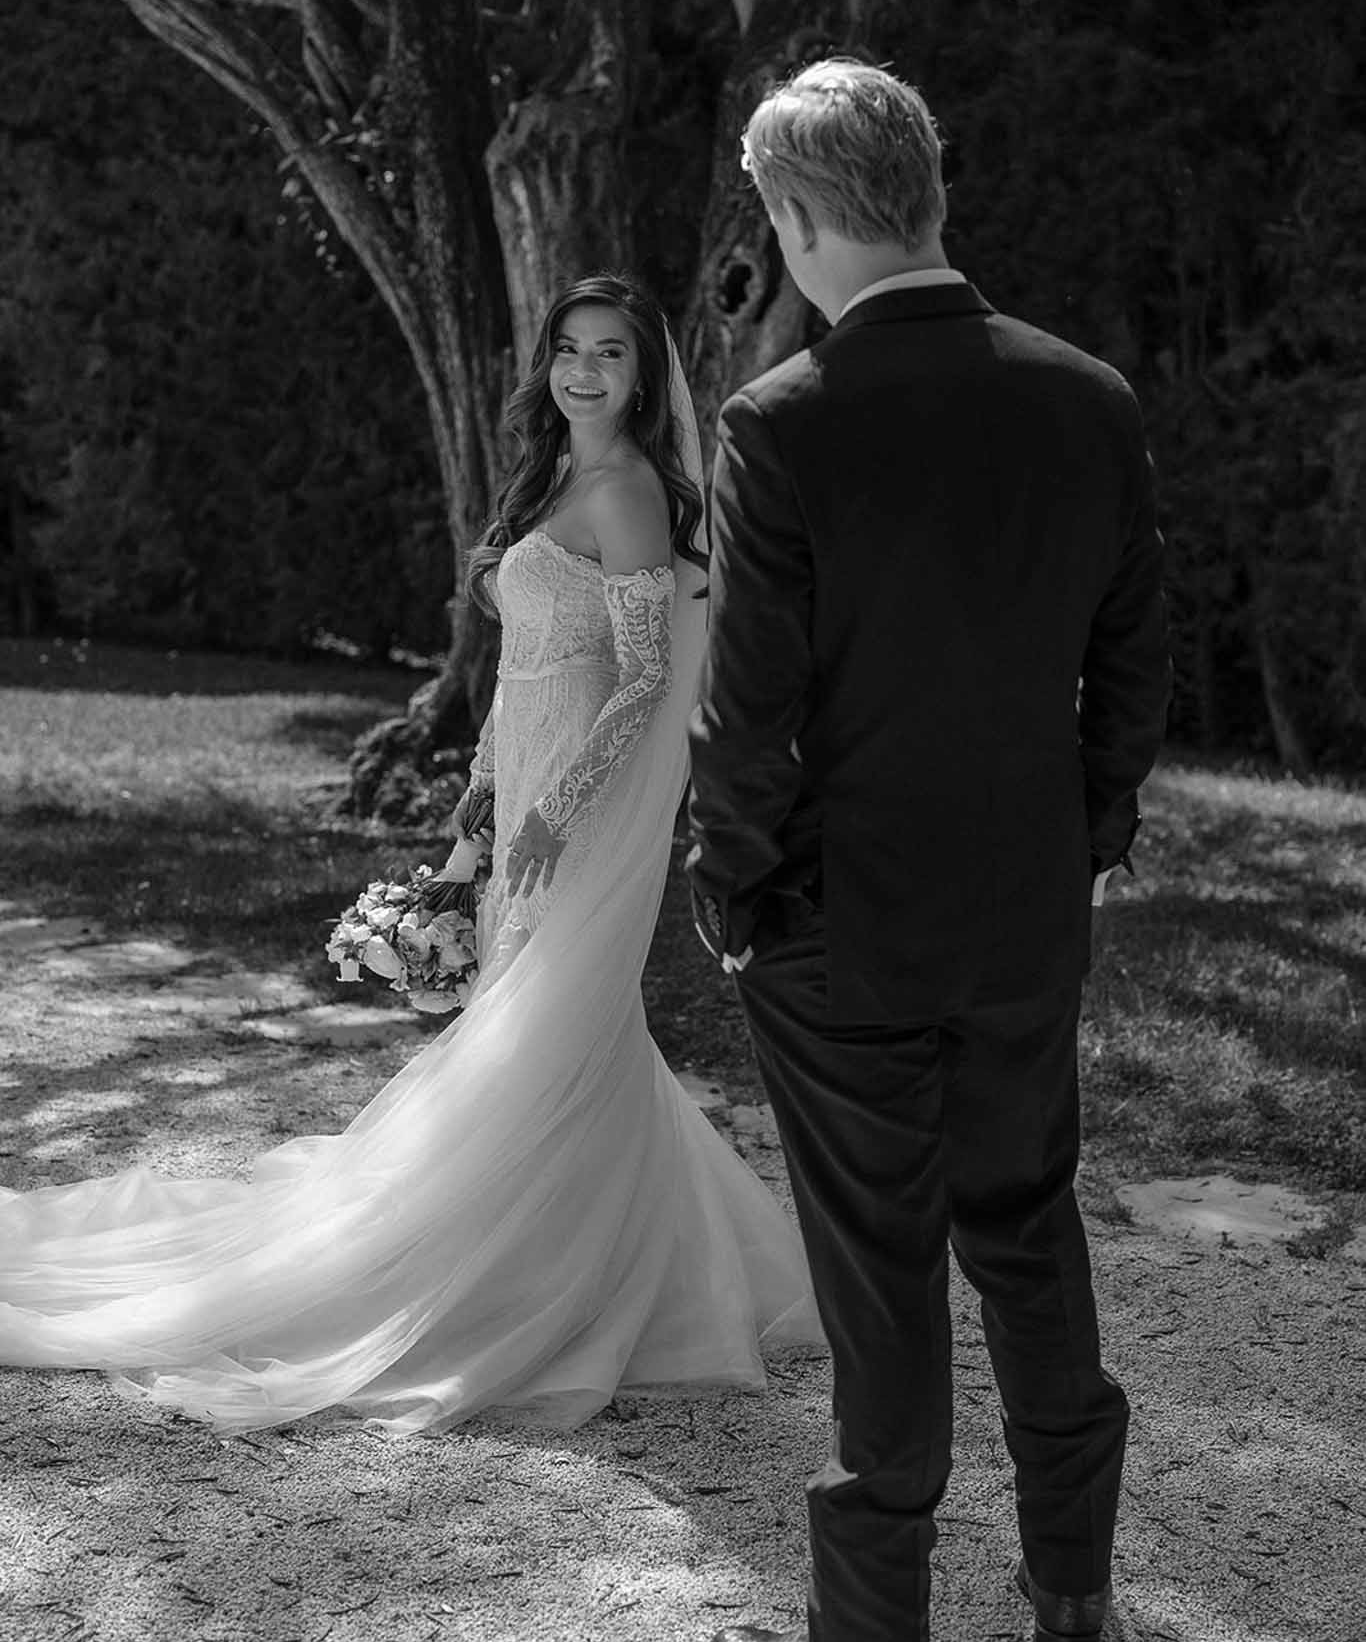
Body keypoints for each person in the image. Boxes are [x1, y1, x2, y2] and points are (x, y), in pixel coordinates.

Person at [0, 274, 821, 1432]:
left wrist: (555, 811)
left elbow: (641, 679)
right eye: (571, 349)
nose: (585, 371)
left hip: (577, 818)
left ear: (643, 380)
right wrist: (478, 810)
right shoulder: (554, 477)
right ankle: (579, 1254)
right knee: (546, 1030)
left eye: (611, 356)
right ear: (548, 363)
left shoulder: (630, 490)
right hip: (525, 787)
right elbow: (528, 667)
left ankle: (543, 1275)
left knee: (555, 1027)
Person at [687, 61, 1171, 1642]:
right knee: (1024, 1223)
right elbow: (1131, 666)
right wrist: (1086, 839)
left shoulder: (783, 419)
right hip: (1024, 909)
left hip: (843, 923)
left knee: (882, 1267)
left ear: (805, 219)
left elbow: (744, 718)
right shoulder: (1087, 396)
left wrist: (736, 899)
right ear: (931, 195)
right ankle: (1069, 1591)